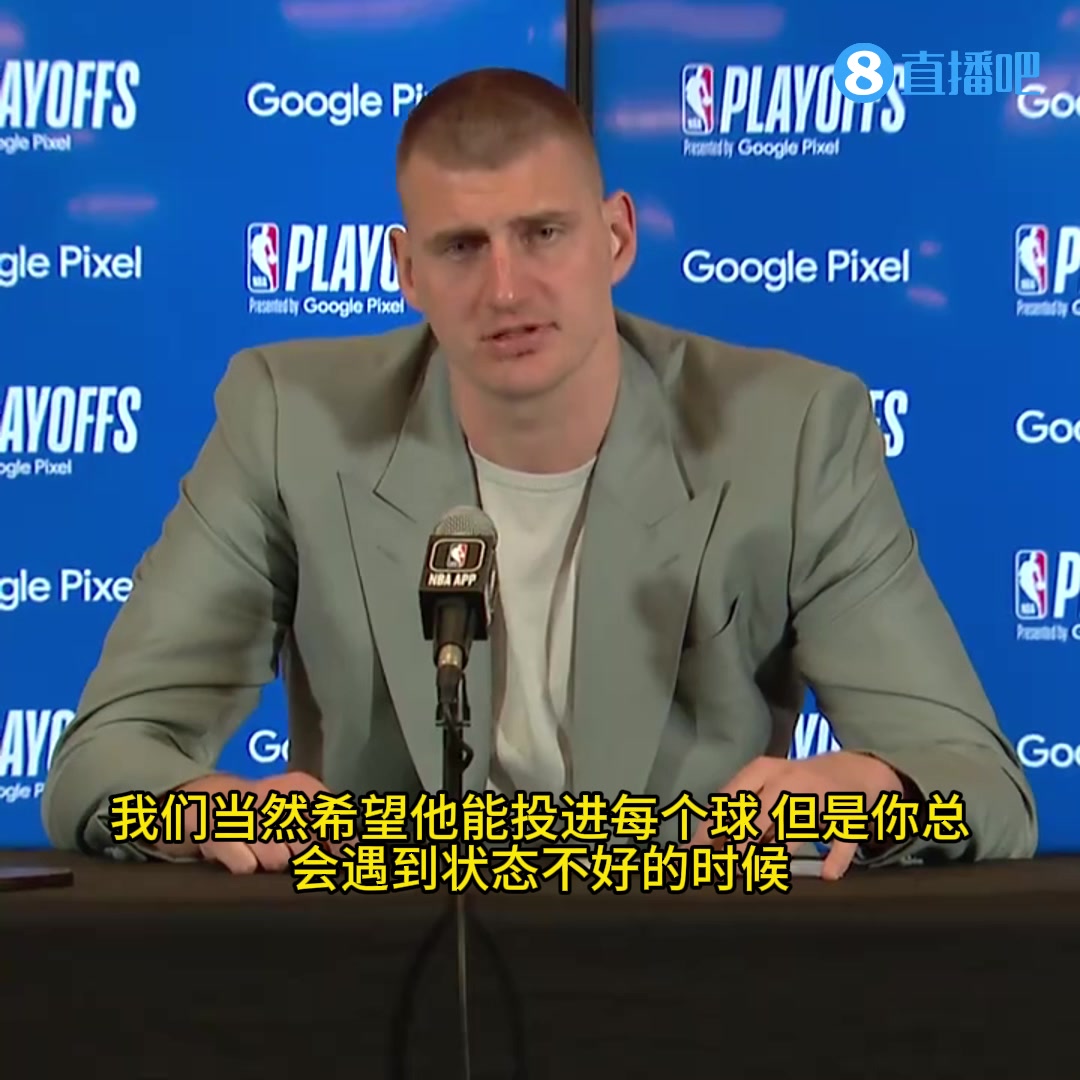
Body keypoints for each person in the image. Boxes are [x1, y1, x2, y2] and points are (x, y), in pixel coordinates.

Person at [42, 68, 1037, 879]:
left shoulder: (792, 433)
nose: (507, 288)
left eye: (543, 233)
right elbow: (102, 759)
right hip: (384, 971)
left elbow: (981, 787)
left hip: (690, 963)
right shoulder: (287, 422)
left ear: (617, 237)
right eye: (461, 248)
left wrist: (884, 797)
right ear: (407, 270)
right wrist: (194, 808)